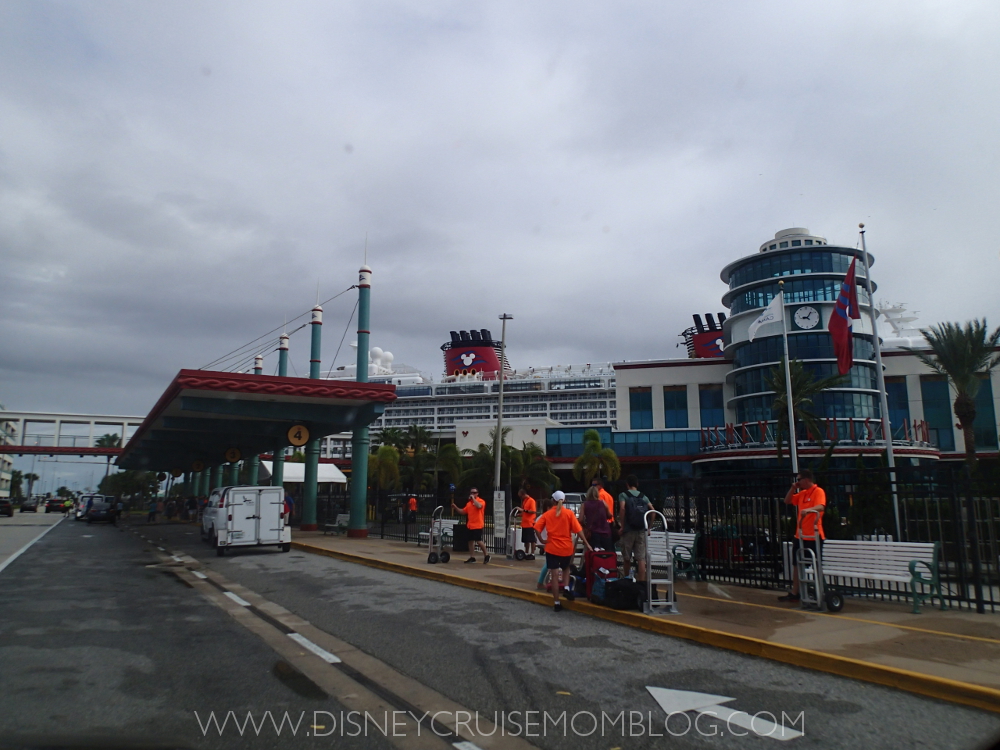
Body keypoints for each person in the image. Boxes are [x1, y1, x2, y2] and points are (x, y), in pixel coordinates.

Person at [534, 490, 592, 611]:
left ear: (553, 501)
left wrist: (542, 540)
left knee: (554, 576)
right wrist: (587, 543)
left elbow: (537, 528)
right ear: (564, 500)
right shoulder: (569, 514)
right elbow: (578, 530)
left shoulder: (547, 514)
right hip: (566, 548)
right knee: (566, 569)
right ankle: (566, 588)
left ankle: (556, 602)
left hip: (552, 548)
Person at [779, 469, 826, 603]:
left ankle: (819, 590)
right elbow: (787, 501)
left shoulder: (818, 491)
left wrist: (809, 510)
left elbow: (821, 506)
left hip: (814, 535)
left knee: (815, 563)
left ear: (806, 479)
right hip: (800, 535)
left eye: (799, 480)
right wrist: (793, 488)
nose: (798, 482)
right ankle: (795, 592)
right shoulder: (802, 494)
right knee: (796, 564)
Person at [618, 475, 653, 584]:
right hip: (641, 530)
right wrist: (649, 527)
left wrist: (622, 525)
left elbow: (622, 508)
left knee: (627, 558)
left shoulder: (623, 495)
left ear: (627, 484)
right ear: (637, 484)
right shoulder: (643, 496)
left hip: (628, 530)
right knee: (641, 558)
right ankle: (641, 583)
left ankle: (627, 581)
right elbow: (653, 511)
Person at [452, 488, 490, 564]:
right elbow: (463, 511)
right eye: (471, 493)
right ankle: (472, 557)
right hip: (470, 525)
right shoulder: (469, 504)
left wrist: (473, 499)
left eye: (474, 493)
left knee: (479, 541)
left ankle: (486, 555)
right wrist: (456, 507)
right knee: (470, 541)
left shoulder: (481, 501)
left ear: (477, 494)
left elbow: (479, 506)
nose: (472, 494)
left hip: (478, 525)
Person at [579, 485, 613, 551]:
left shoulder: (584, 505)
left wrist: (585, 525)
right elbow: (610, 515)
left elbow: (580, 519)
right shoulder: (603, 503)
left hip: (593, 533)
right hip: (605, 532)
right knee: (607, 553)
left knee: (594, 553)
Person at [513, 488, 538, 560]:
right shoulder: (525, 501)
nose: (521, 498)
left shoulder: (531, 501)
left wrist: (523, 510)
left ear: (524, 494)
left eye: (521, 496)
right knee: (526, 540)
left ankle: (532, 553)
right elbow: (525, 513)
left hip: (530, 523)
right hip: (524, 524)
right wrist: (519, 514)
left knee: (532, 539)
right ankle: (526, 552)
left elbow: (533, 511)